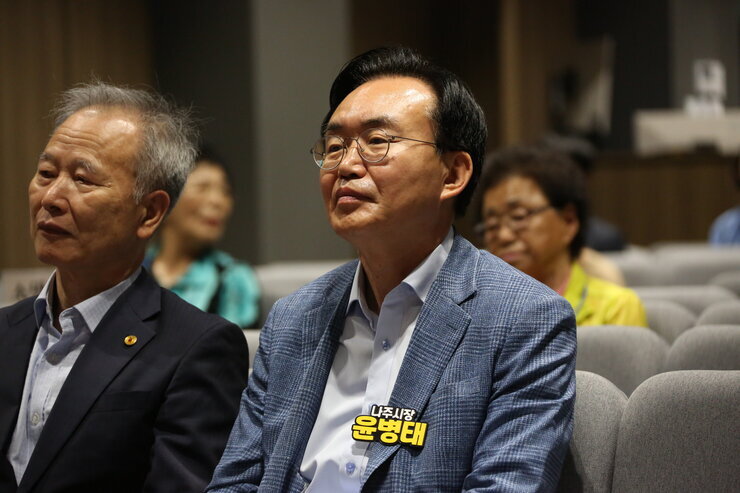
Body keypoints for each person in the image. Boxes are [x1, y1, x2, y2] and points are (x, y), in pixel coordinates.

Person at [208, 46, 575, 492]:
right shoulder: (294, 318)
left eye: (377, 142)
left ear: (453, 174)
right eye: (334, 146)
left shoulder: (524, 318)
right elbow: (235, 483)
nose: (346, 165)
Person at [0, 82, 249, 492]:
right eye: (46, 174)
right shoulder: (6, 330)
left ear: (149, 212)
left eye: (83, 179)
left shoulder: (196, 348)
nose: (52, 197)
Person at [476, 146, 647, 327]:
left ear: (568, 221)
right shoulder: (477, 313)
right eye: (492, 225)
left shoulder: (615, 309)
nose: (503, 236)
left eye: (518, 217)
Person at [145, 148, 261, 328]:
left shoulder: (233, 279)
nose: (217, 201)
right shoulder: (130, 273)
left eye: (225, 191)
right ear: (165, 199)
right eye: (202, 188)